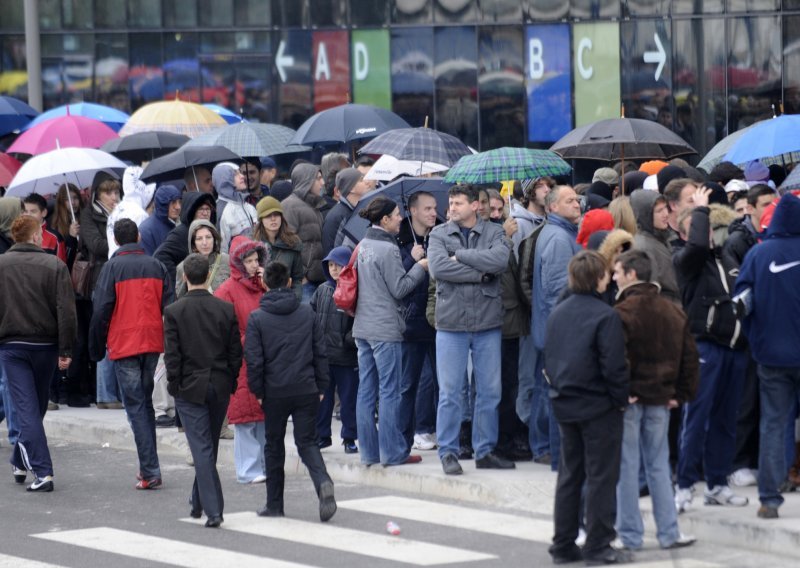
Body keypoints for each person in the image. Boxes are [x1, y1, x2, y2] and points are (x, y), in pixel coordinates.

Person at [545, 250, 629, 566]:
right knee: (600, 477)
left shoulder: (559, 312)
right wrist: (620, 401)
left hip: (565, 402)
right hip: (598, 406)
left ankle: (563, 544)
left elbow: (549, 358)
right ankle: (597, 544)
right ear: (599, 278)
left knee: (570, 476)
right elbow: (614, 367)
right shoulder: (605, 315)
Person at [612, 250, 698, 551]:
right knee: (659, 465)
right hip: (662, 397)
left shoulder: (621, 313)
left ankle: (631, 536)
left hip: (632, 398)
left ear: (632, 275)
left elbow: (615, 359)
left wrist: (621, 390)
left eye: (618, 271)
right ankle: (669, 532)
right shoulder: (673, 311)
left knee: (627, 465)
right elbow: (690, 358)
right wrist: (681, 394)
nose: (614, 277)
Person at [672, 187, 749, 513]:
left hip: (733, 350)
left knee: (725, 420)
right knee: (697, 419)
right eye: (698, 230)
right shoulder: (685, 261)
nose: (707, 235)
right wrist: (700, 211)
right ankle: (685, 485)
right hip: (705, 348)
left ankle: (717, 484)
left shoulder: (726, 259)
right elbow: (697, 245)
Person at [428, 184, 513, 475]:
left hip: (488, 322)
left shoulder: (496, 232)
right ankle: (448, 452)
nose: (451, 207)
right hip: (451, 324)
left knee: (490, 391)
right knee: (451, 392)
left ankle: (485, 450)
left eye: (458, 203)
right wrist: (483, 272)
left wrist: (462, 257)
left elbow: (500, 261)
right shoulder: (439, 234)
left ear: (476, 205)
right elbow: (439, 269)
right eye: (450, 202)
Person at [246, 261, 337, 522]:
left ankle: (274, 504)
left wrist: (258, 390)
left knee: (273, 445)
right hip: (306, 387)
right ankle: (322, 481)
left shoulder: (257, 318)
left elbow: (254, 359)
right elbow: (320, 351)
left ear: (265, 283)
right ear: (288, 282)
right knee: (307, 441)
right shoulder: (306, 312)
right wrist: (321, 385)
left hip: (274, 392)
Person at [89, 219, 172, 490]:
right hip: (152, 342)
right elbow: (168, 307)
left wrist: (96, 346)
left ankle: (150, 469)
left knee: (136, 406)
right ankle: (149, 466)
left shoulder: (112, 267)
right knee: (144, 404)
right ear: (138, 236)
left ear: (116, 239)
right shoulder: (157, 265)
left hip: (124, 344)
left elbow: (101, 309)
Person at [164, 253, 242, 528]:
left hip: (189, 387)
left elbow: (172, 357)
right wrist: (230, 381)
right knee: (208, 446)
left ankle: (213, 510)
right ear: (208, 275)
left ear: (185, 277)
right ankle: (199, 503)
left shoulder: (174, 311)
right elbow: (235, 353)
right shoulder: (224, 309)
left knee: (202, 450)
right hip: (218, 384)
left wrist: (174, 386)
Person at [734, 193, 800, 519]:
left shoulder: (758, 255)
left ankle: (769, 499)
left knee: (773, 424)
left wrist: (756, 340)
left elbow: (741, 304)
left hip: (771, 356)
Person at [0, 216, 76, 492]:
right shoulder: (54, 265)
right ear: (35, 237)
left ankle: (27, 463)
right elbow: (66, 311)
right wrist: (66, 348)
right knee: (34, 408)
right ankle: (39, 468)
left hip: (13, 346)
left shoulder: (2, 265)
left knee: (30, 409)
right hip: (45, 345)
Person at [353, 196, 429, 466]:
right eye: (397, 214)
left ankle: (370, 453)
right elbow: (400, 289)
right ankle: (393, 452)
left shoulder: (363, 245)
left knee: (366, 391)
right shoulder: (388, 249)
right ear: (384, 220)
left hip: (362, 326)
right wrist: (419, 267)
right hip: (385, 328)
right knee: (389, 391)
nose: (400, 218)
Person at [530, 185, 582, 468]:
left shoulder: (562, 233)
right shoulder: (559, 238)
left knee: (544, 387)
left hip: (550, 329)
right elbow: (556, 293)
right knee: (548, 390)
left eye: (577, 199)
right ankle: (544, 448)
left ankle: (542, 446)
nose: (577, 204)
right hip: (555, 332)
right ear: (552, 207)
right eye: (569, 200)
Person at [214, 236, 269, 484]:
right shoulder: (226, 290)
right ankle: (248, 470)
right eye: (249, 260)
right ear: (239, 262)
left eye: (256, 259)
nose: (254, 264)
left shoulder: (263, 286)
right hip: (243, 360)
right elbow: (221, 330)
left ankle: (264, 465)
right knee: (246, 418)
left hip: (266, 359)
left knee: (263, 417)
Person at [398, 192, 439, 452]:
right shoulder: (400, 239)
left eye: (435, 208)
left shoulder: (441, 234)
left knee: (440, 381)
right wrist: (411, 258)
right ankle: (407, 435)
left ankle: (433, 428)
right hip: (411, 320)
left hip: (438, 317)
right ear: (413, 211)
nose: (433, 213)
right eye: (427, 209)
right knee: (409, 382)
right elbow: (395, 281)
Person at [81, 173, 123, 410]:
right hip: (100, 278)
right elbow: (96, 244)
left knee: (117, 334)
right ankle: (105, 395)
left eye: (116, 192)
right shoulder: (90, 214)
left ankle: (115, 392)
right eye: (108, 192)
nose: (113, 197)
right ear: (98, 193)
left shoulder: (120, 211)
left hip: (119, 276)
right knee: (104, 335)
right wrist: (119, 235)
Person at [312, 246, 359, 454]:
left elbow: (358, 319)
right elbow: (312, 316)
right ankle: (322, 435)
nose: (334, 269)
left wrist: (347, 340)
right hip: (324, 357)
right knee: (323, 399)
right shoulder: (322, 290)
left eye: (338, 265)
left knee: (348, 399)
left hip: (346, 357)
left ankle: (349, 437)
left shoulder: (354, 289)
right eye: (330, 265)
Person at [282, 163, 326, 302]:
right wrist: (301, 276)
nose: (322, 182)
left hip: (318, 278)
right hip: (304, 284)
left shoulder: (313, 205)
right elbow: (286, 243)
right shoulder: (290, 206)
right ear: (306, 180)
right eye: (318, 178)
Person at [629, 189, 681, 304]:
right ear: (645, 215)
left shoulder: (660, 236)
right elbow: (650, 290)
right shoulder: (643, 247)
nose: (666, 214)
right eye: (659, 211)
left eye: (665, 208)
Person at [154, 191, 216, 286]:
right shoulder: (181, 233)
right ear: (191, 211)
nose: (205, 213)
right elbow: (161, 256)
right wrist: (177, 280)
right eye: (201, 209)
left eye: (208, 209)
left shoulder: (211, 230)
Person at [252, 196, 303, 300]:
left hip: (288, 299)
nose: (273, 219)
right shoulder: (253, 245)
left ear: (281, 217)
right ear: (261, 220)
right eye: (268, 216)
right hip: (261, 300)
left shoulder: (293, 243)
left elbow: (297, 279)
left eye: (276, 214)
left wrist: (295, 299)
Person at [107, 166, 157, 258]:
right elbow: (142, 248)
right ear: (144, 189)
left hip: (115, 263)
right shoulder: (139, 214)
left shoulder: (117, 209)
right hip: (132, 266)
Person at [175, 220, 230, 298]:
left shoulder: (227, 260)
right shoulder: (183, 267)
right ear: (193, 243)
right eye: (199, 238)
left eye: (208, 237)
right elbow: (180, 299)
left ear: (214, 239)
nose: (204, 242)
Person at [322, 168, 368, 255]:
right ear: (352, 188)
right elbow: (332, 252)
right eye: (361, 180)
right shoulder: (337, 215)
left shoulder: (358, 209)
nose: (366, 182)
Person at [215, 163, 256, 253]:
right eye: (235, 174)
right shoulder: (220, 211)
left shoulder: (248, 205)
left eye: (240, 172)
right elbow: (222, 251)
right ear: (224, 179)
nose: (242, 176)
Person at [139, 184, 182, 256]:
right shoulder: (146, 230)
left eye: (180, 202)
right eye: (173, 202)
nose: (178, 207)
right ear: (163, 204)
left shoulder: (176, 224)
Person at [22, 193, 66, 263]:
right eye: (25, 211)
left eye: (33, 211)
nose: (28, 215)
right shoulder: (19, 235)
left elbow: (61, 267)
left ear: (44, 212)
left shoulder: (55, 238)